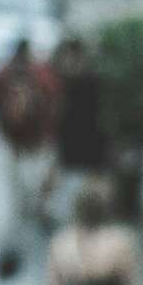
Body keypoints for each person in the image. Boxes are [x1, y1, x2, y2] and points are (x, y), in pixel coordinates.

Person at [0, 39, 60, 234]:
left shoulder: (3, 73)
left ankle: (23, 208)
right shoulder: (42, 73)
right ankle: (41, 206)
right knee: (45, 171)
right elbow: (55, 100)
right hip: (40, 134)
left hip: (15, 136)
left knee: (17, 174)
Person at [52, 35, 107, 186]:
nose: (72, 63)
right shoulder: (60, 85)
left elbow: (98, 123)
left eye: (76, 58)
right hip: (66, 157)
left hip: (87, 158)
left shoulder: (92, 86)